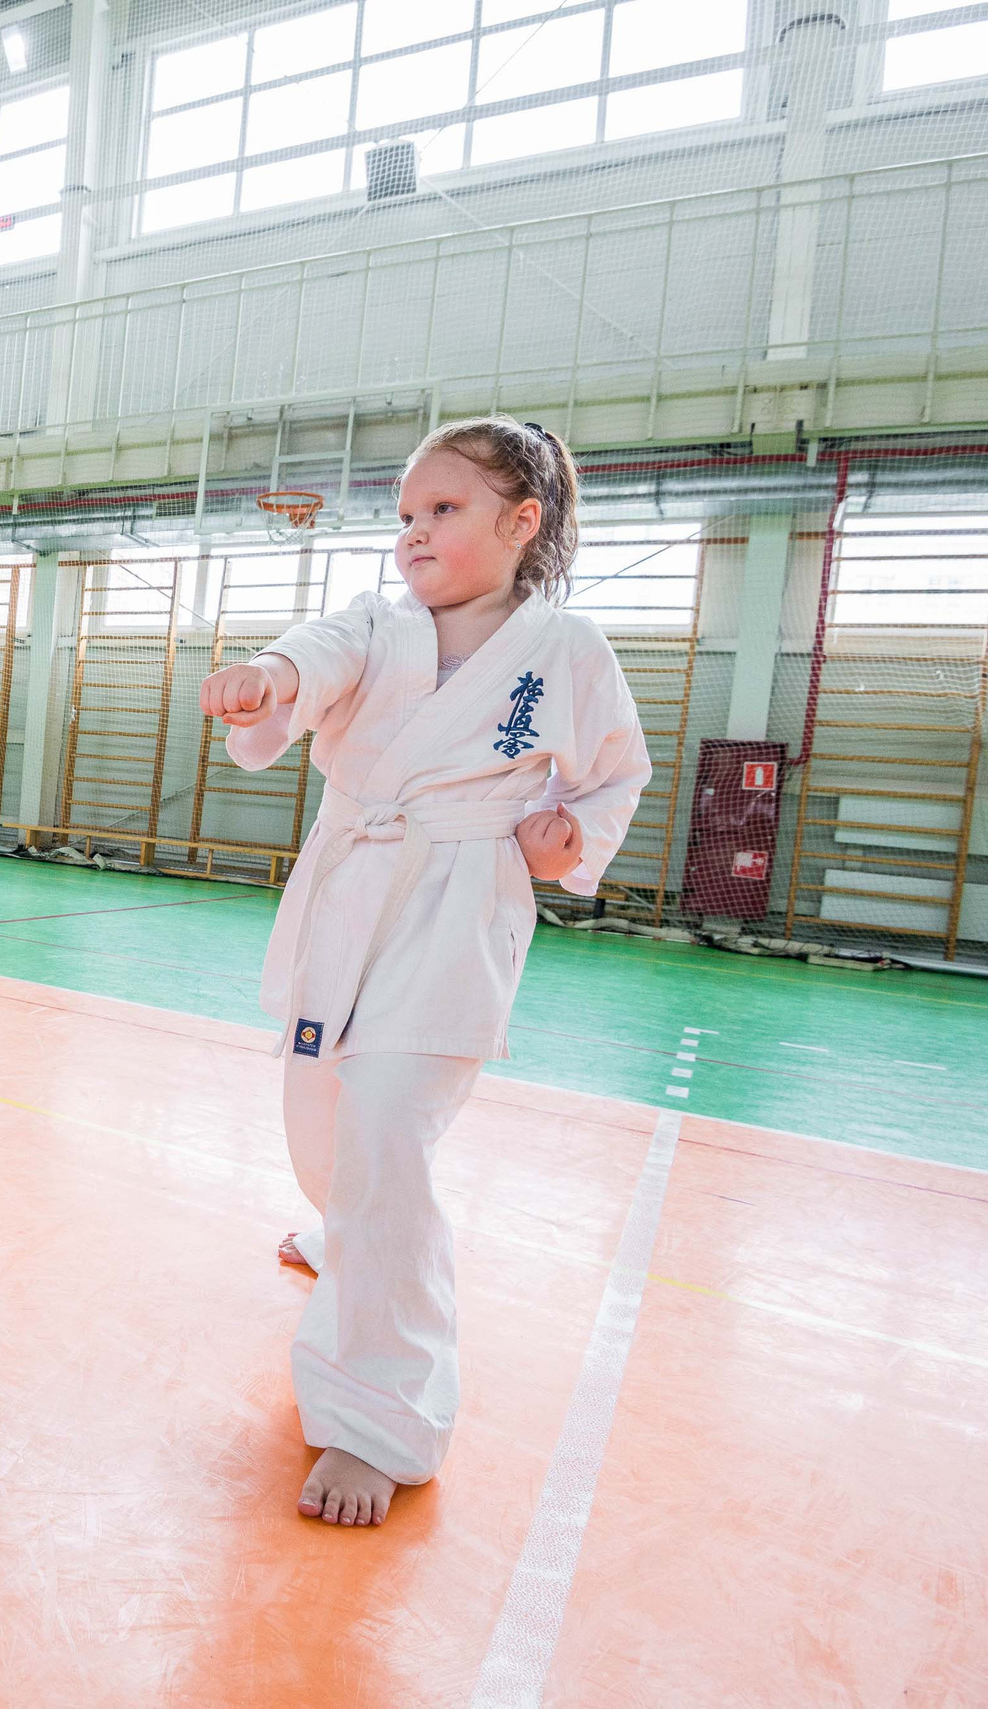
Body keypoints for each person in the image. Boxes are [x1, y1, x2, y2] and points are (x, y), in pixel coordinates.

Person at [199, 417, 649, 1529]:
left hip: (459, 902)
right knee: (326, 1129)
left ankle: (377, 1417)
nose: (413, 533)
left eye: (443, 510)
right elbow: (313, 655)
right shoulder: (376, 622)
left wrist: (565, 841)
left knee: (390, 1127)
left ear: (521, 521)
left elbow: (612, 775)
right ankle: (342, 1224)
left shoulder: (567, 651)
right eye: (404, 514)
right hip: (352, 889)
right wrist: (264, 679)